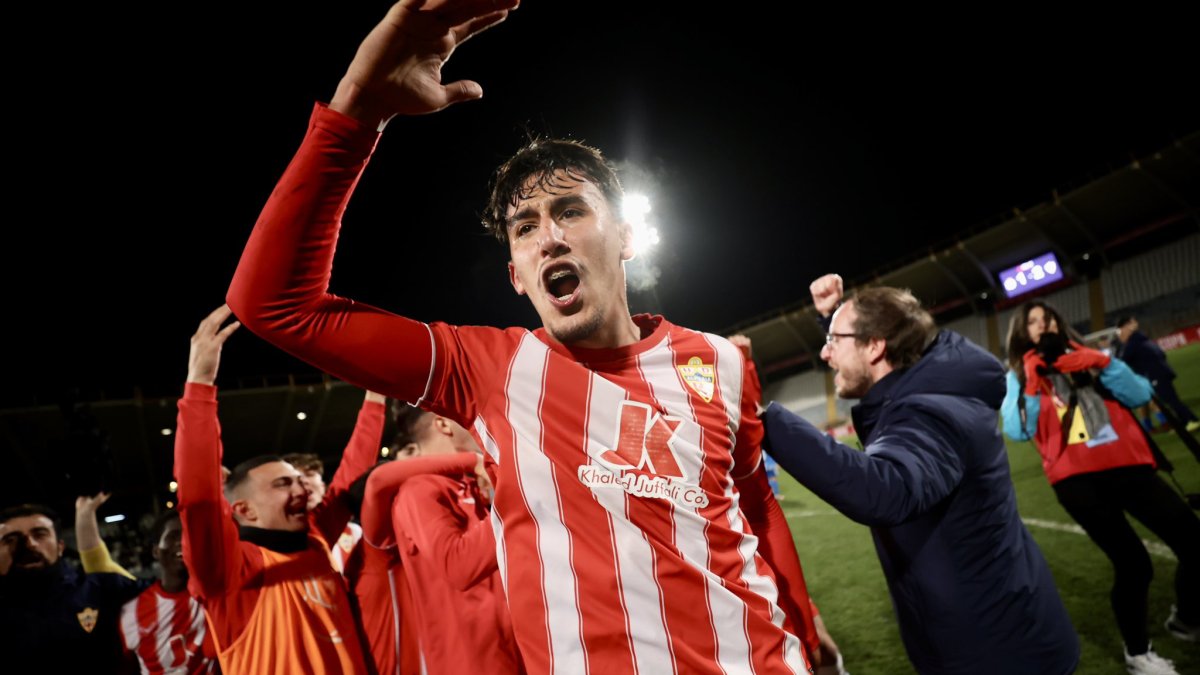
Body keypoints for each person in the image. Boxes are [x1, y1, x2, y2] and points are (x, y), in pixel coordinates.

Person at [225, 2, 813, 672]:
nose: (549, 235)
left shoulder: (720, 361)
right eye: (524, 226)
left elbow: (754, 509)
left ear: (624, 237)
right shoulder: (490, 368)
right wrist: (357, 113)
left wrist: (804, 619)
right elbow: (272, 303)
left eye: (570, 210)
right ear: (516, 274)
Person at [759, 274, 1079, 675]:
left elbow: (884, 489)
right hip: (999, 633)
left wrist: (765, 424)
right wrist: (835, 323)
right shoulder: (927, 388)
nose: (825, 355)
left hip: (1000, 655)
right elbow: (876, 368)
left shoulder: (930, 414)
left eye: (833, 342)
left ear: (875, 346)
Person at [174, 304, 381, 674]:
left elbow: (351, 476)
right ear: (244, 509)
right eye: (283, 483)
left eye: (299, 479)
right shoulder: (228, 571)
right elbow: (199, 501)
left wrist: (377, 395)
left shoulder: (317, 539)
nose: (301, 489)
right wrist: (200, 382)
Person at [1002, 300, 1200, 674]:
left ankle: (1187, 619)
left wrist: (1103, 364)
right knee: (1134, 564)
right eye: (1033, 321)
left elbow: (1141, 395)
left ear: (1060, 324)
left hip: (1130, 466)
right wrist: (1031, 383)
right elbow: (1018, 430)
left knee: (1193, 540)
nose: (1043, 326)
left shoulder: (1090, 355)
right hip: (1078, 482)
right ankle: (1139, 654)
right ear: (1022, 331)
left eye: (1049, 318)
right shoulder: (1018, 374)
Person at [383, 405, 523, 674]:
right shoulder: (418, 490)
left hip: (512, 650)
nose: (481, 426)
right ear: (444, 425)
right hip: (470, 661)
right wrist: (515, 498)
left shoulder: (469, 484)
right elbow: (457, 565)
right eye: (471, 419)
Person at [0, 501, 148, 672]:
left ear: (60, 547)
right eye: (11, 540)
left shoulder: (102, 588)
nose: (30, 544)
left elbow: (172, 593)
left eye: (39, 535)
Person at [118, 510, 219, 674]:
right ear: (156, 551)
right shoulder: (131, 614)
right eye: (173, 535)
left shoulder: (215, 595)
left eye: (188, 535)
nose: (181, 542)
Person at [282, 451, 365, 573]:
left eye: (309, 474)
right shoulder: (281, 537)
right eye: (295, 478)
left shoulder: (355, 532)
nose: (304, 481)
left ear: (323, 485)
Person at [1116, 316, 1200, 433]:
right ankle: (1184, 422)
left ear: (1124, 329)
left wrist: (1123, 343)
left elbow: (1122, 360)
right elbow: (1161, 354)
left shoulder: (1133, 342)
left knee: (1171, 400)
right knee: (1170, 400)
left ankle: (1192, 420)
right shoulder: (1141, 338)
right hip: (1161, 372)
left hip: (1156, 375)